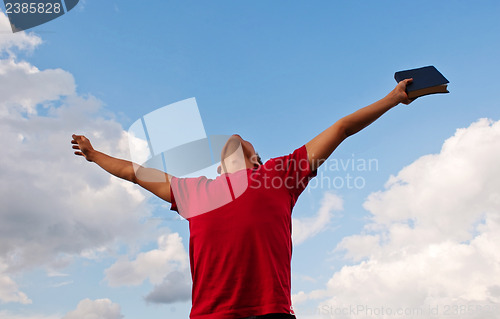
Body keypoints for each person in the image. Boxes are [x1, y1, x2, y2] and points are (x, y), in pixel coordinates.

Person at [71, 79, 413, 319]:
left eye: (252, 145)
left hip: (270, 312)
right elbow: (134, 172)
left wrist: (393, 98)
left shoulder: (280, 175)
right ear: (219, 170)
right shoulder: (194, 192)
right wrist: (93, 154)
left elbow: (341, 128)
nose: (239, 139)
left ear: (257, 161)